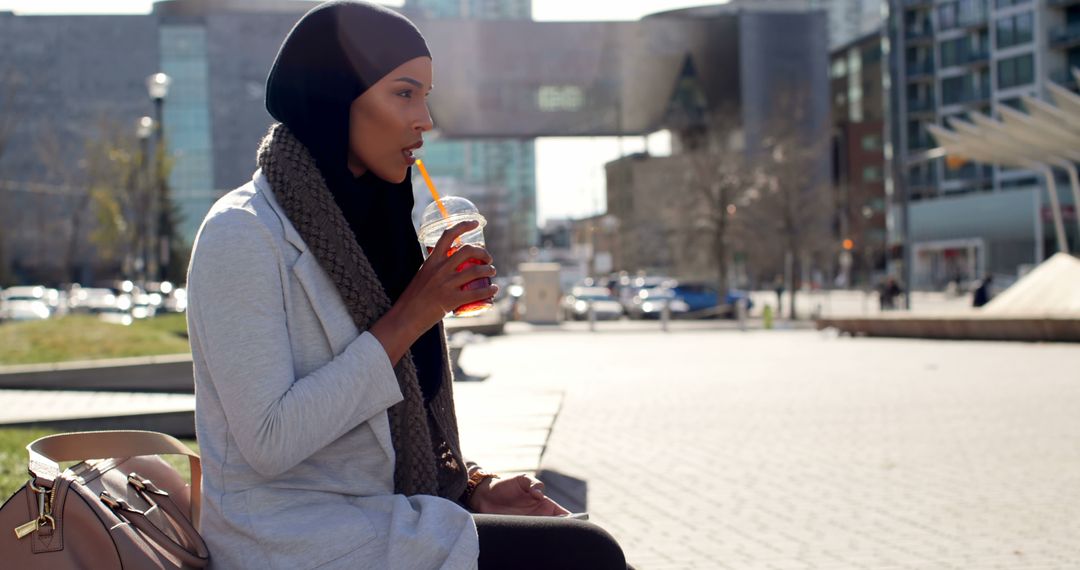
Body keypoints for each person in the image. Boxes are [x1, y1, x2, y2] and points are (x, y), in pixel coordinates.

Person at [185, 2, 629, 569]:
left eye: (426, 95)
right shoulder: (241, 232)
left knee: (578, 540)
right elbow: (270, 441)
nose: (425, 118)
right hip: (289, 536)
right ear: (336, 95)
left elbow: (394, 427)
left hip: (380, 516)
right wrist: (413, 313)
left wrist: (470, 491)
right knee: (587, 554)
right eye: (404, 93)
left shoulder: (379, 226)